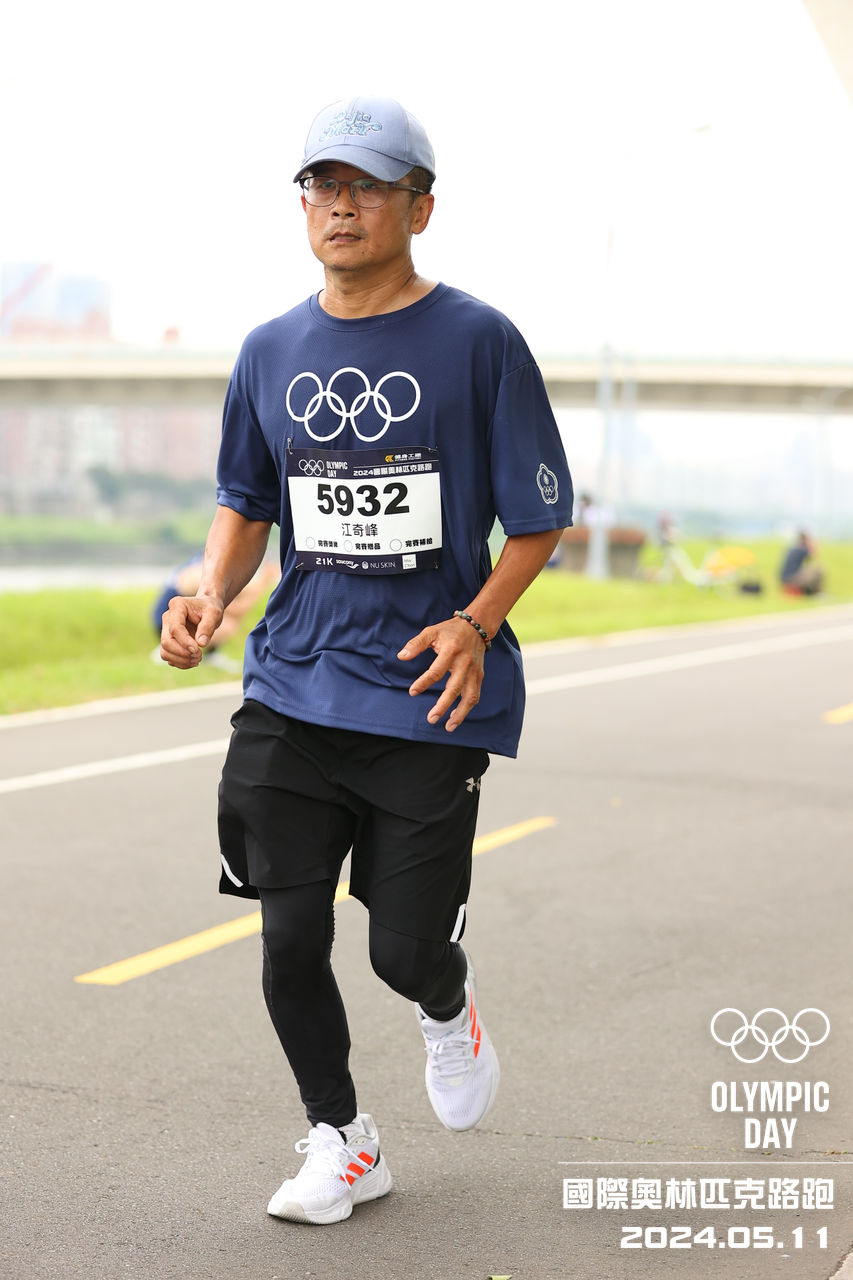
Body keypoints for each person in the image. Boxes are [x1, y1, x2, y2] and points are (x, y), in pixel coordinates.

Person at [160, 95, 573, 1226]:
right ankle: (342, 1139)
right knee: (289, 933)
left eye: (368, 187)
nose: (340, 206)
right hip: (293, 681)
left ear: (419, 207)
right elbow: (246, 501)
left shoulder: (479, 341)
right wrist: (210, 594)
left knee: (399, 951)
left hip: (425, 689)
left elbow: (538, 518)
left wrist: (476, 621)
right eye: (322, 185)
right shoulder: (270, 349)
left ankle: (447, 999)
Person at [150, 554, 279, 671]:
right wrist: (264, 581)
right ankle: (168, 649)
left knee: (223, 618)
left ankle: (211, 654)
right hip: (168, 622)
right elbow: (237, 609)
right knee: (227, 623)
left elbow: (239, 601)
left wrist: (263, 582)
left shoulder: (209, 563)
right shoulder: (201, 573)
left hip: (180, 617)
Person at [779, 530, 824, 596]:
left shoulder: (792, 548)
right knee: (818, 571)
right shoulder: (801, 549)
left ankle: (811, 592)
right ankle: (817, 593)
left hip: (785, 578)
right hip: (792, 578)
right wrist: (812, 543)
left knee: (808, 570)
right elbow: (813, 552)